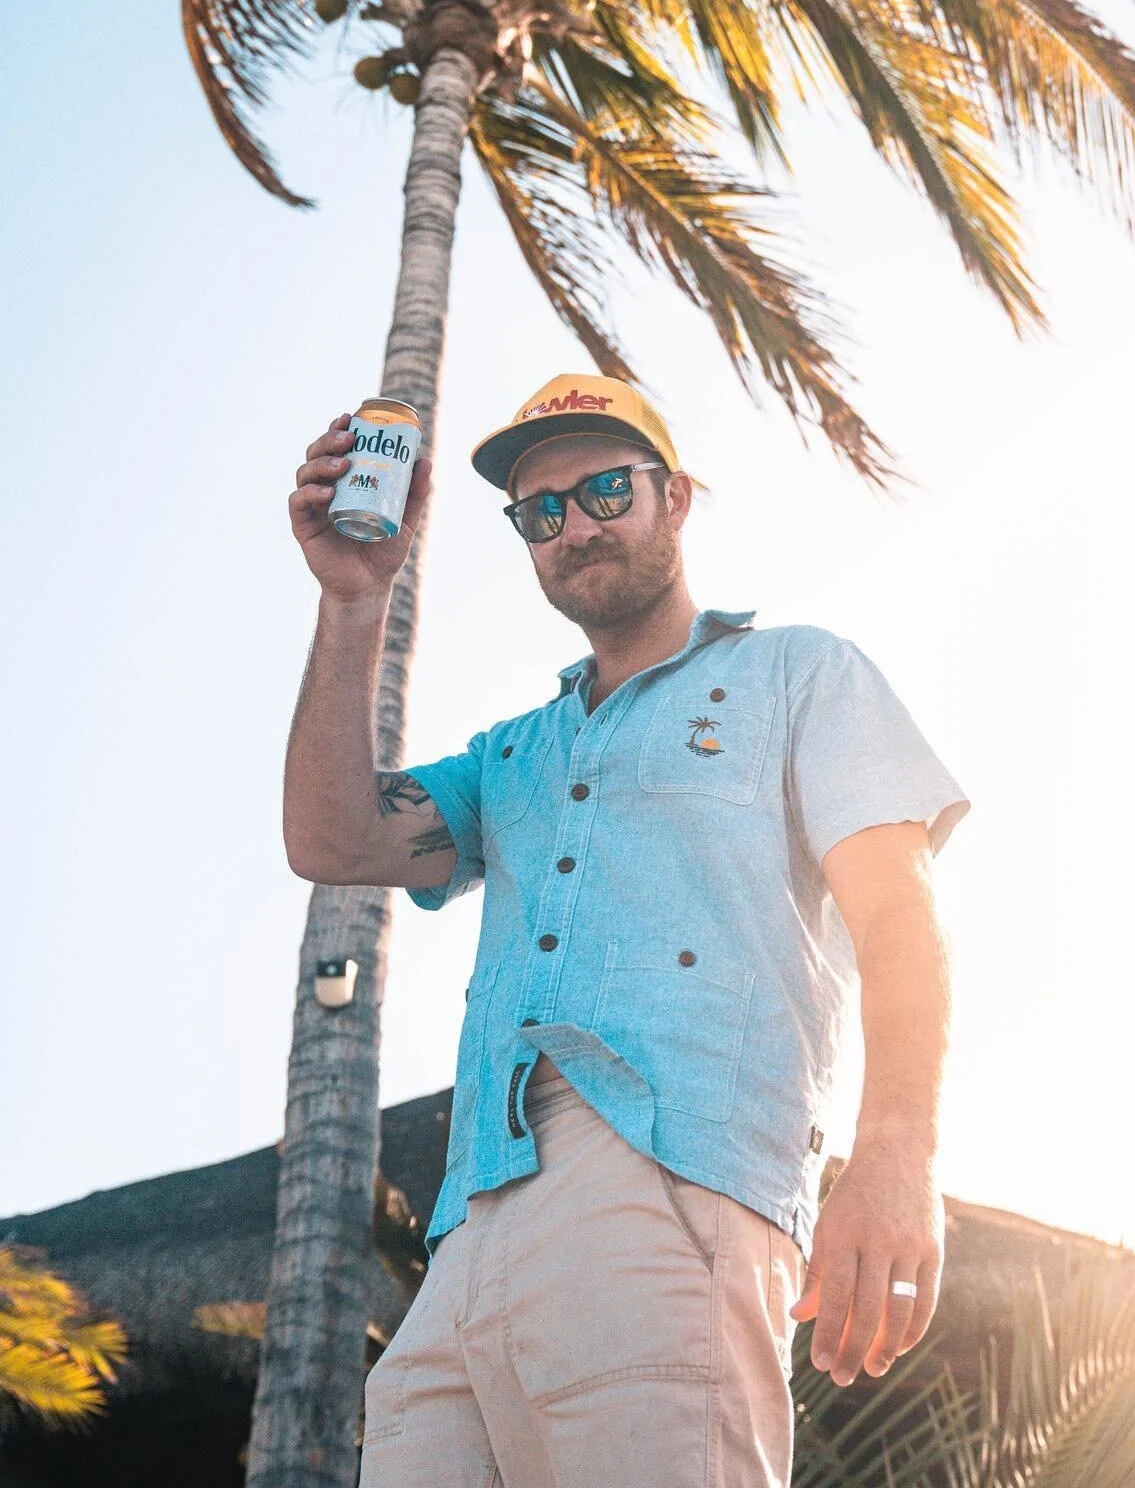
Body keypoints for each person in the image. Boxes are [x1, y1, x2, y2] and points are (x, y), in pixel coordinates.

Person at [284, 372, 970, 1488]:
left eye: (604, 488)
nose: (574, 526)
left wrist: (896, 1154)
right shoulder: (511, 755)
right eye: (541, 512)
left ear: (676, 498)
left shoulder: (798, 673)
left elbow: (900, 912)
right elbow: (333, 839)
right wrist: (352, 601)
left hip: (669, 1184)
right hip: (467, 1239)